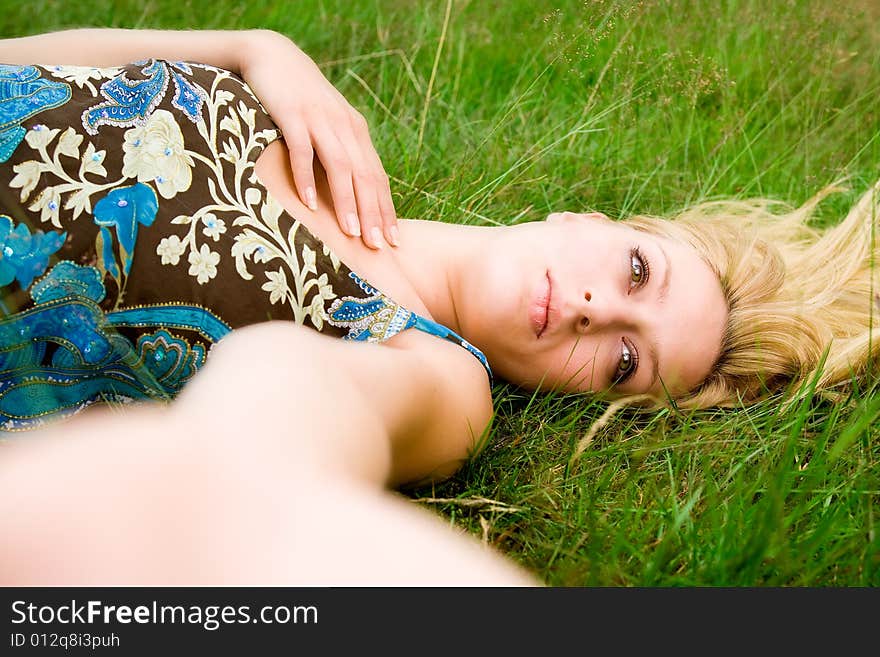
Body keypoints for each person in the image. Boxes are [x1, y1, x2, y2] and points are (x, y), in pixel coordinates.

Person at [0, 27, 877, 584]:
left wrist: (212, 483)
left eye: (622, 361)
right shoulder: (304, 113)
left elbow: (287, 407)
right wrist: (246, 46)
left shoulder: (437, 374)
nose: (589, 309)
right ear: (589, 219)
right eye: (636, 273)